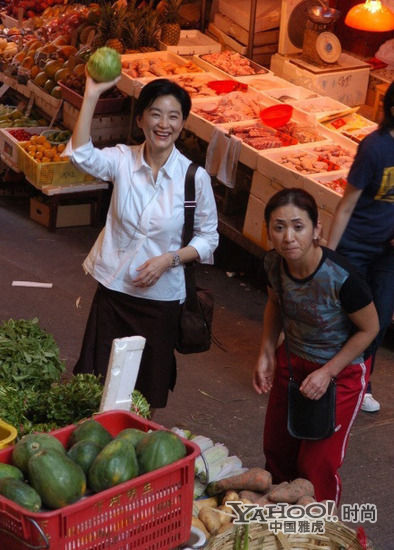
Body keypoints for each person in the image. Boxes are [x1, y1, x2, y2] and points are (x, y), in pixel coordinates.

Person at [66, 75, 218, 409]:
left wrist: (170, 260)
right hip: (115, 292)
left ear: (183, 124)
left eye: (173, 116)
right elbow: (79, 155)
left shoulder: (194, 178)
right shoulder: (122, 160)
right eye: (155, 113)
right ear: (140, 119)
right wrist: (90, 94)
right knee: (98, 385)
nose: (164, 124)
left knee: (144, 395)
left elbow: (209, 237)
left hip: (161, 301)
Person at [253, 188, 379, 504]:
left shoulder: (343, 278)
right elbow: (274, 303)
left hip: (341, 373)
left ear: (316, 230)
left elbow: (370, 330)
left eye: (298, 226)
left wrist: (327, 373)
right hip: (292, 363)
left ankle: (320, 534)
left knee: (315, 466)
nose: (288, 237)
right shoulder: (273, 264)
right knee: (277, 452)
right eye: (279, 227)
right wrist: (267, 351)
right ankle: (280, 529)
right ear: (269, 230)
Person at [327, 81, 394, 413]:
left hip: (388, 250)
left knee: (379, 318)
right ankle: (330, 374)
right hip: (356, 245)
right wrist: (328, 256)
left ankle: (362, 382)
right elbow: (347, 205)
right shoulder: (375, 148)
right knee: (347, 314)